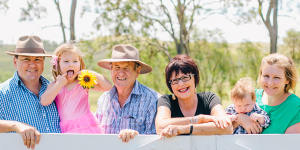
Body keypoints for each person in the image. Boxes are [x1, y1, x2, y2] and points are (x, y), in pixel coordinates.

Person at [0, 35, 60, 149]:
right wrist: (15, 125)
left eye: (37, 59)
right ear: (15, 61)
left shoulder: (57, 90)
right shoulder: (2, 93)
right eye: (26, 59)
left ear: (43, 62)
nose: (32, 65)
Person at [40, 43, 112, 133]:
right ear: (57, 64)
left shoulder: (83, 82)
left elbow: (108, 87)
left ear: (80, 64)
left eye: (75, 61)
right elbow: (44, 101)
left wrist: (93, 74)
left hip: (87, 126)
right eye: (66, 61)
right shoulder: (55, 84)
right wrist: (59, 84)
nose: (71, 65)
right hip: (67, 128)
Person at [155, 54, 232, 138]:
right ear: (170, 85)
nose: (181, 84)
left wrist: (184, 129)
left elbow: (227, 127)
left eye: (185, 77)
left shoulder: (209, 98)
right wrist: (199, 119)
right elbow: (160, 127)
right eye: (175, 80)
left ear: (195, 78)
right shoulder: (166, 101)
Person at [96, 44, 159, 142]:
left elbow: (156, 140)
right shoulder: (103, 100)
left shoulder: (152, 100)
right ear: (111, 69)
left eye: (126, 68)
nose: (121, 73)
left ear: (137, 71)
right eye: (117, 68)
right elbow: (96, 136)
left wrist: (136, 137)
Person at [238, 53, 300, 134]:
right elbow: (226, 123)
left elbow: (289, 145)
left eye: (276, 77)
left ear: (287, 80)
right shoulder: (250, 96)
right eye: (266, 76)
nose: (270, 83)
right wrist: (240, 118)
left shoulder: (295, 107)